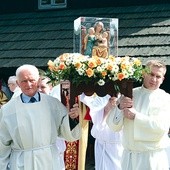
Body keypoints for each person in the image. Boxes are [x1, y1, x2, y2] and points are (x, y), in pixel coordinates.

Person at [0, 64, 81, 170]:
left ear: (38, 81)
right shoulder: (7, 110)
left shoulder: (53, 104)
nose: (28, 84)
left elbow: (65, 132)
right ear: (18, 83)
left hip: (49, 161)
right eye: (24, 81)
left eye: (32, 80)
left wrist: (72, 118)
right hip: (22, 163)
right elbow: (2, 143)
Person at [106, 60, 170, 170]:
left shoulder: (165, 99)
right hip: (129, 157)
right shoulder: (130, 94)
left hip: (152, 157)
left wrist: (136, 116)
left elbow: (162, 127)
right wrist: (119, 108)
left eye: (158, 76)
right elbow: (113, 126)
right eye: (151, 74)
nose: (154, 79)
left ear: (163, 79)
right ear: (144, 74)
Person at [80, 93, 123, 170]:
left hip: (121, 144)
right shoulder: (99, 96)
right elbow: (97, 121)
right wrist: (107, 109)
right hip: (103, 144)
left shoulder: (126, 94)